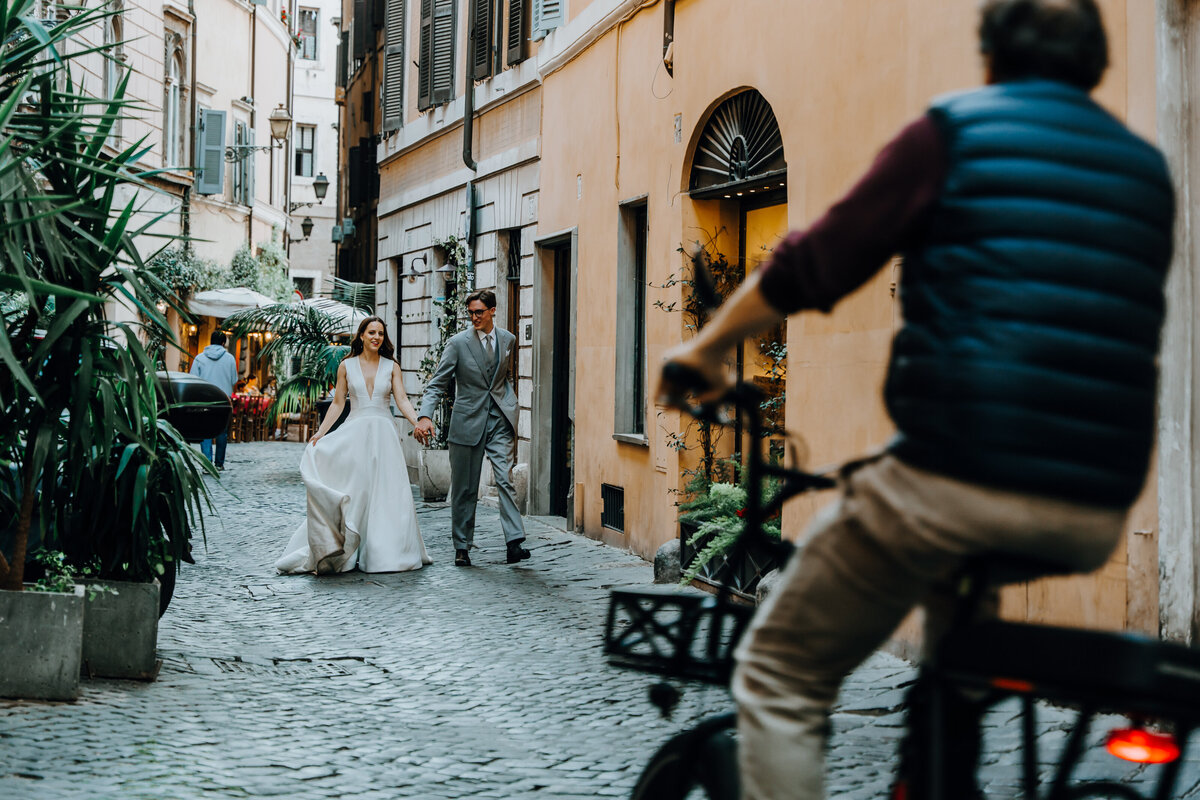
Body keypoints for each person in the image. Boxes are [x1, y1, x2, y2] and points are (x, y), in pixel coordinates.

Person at [656, 2, 1175, 798]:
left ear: (992, 56)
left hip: (954, 478)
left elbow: (811, 262)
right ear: (1094, 64)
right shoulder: (1143, 169)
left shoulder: (953, 133)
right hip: (1091, 505)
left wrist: (700, 347)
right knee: (955, 660)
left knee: (779, 671)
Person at [275, 316, 431, 574]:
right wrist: (321, 433)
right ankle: (349, 545)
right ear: (361, 335)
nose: (376, 337)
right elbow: (338, 404)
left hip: (384, 436)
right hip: (356, 433)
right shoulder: (346, 366)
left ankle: (387, 551)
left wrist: (417, 421)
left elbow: (402, 399)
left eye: (380, 333)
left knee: (387, 492)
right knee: (357, 490)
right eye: (371, 332)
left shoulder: (391, 366)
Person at [414, 289, 528, 567]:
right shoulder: (457, 343)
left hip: (499, 419)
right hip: (467, 421)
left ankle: (514, 542)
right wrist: (425, 416)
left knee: (505, 479)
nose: (474, 317)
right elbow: (438, 383)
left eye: (479, 312)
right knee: (465, 488)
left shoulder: (508, 339)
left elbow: (502, 377)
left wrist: (510, 402)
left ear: (493, 311)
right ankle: (462, 547)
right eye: (471, 313)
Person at [189, 330, 238, 471]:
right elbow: (234, 380)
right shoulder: (229, 359)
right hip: (223, 398)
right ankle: (219, 464)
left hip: (204, 399)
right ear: (223, 343)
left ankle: (207, 463)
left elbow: (193, 379)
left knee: (205, 430)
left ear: (210, 342)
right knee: (221, 431)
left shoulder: (199, 358)